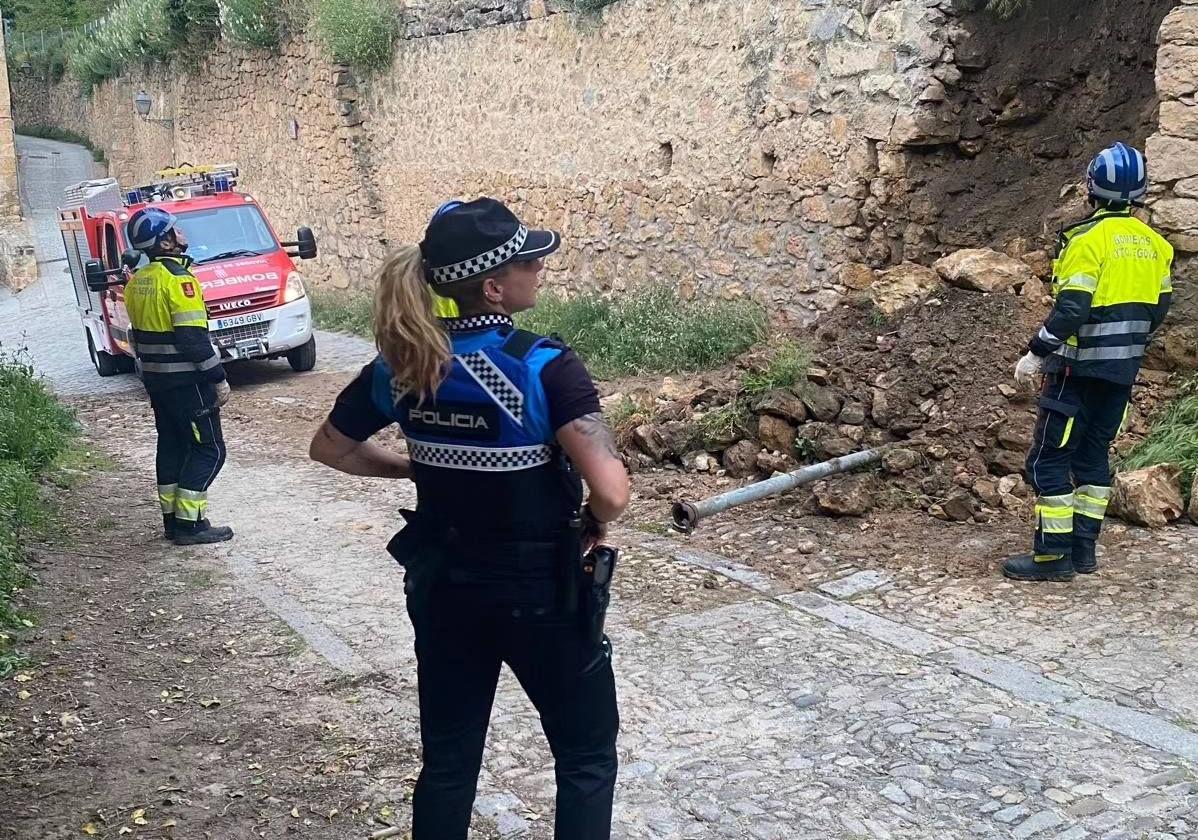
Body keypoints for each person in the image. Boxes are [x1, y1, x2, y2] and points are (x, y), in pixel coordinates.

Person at [309, 198, 629, 839]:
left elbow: (330, 448)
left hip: (445, 586)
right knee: (585, 756)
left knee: (450, 763)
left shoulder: (402, 369)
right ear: (492, 285)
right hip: (544, 593)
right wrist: (594, 521)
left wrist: (413, 467)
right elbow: (613, 492)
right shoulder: (542, 366)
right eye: (528, 260)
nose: (539, 267)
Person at [1004, 142, 1173, 582]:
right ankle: (1083, 552)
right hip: (1121, 373)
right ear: (1140, 193)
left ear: (1091, 188)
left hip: (1074, 372)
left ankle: (1052, 558)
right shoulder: (1157, 246)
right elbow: (1158, 310)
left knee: (1048, 462)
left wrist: (1036, 352)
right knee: (1093, 459)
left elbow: (1072, 308)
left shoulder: (1085, 241)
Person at [124, 206, 234, 545]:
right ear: (165, 242)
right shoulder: (179, 280)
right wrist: (218, 377)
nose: (182, 234)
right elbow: (192, 339)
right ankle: (191, 525)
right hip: (189, 384)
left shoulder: (137, 281)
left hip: (159, 385)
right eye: (175, 230)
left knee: (172, 447)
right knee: (210, 450)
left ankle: (172, 522)